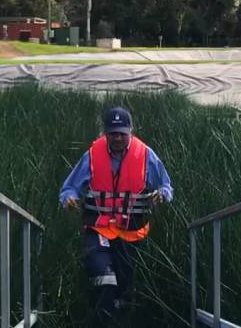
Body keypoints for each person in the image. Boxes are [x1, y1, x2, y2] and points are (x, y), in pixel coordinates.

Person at [59, 107, 173, 327]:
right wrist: (69, 199)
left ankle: (118, 313)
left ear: (130, 131)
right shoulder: (92, 155)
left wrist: (162, 195)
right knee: (105, 277)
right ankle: (103, 319)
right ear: (105, 133)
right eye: (113, 133)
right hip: (99, 228)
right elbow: (69, 188)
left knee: (126, 286)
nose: (118, 138)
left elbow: (166, 185)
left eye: (122, 133)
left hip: (132, 231)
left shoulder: (146, 155)